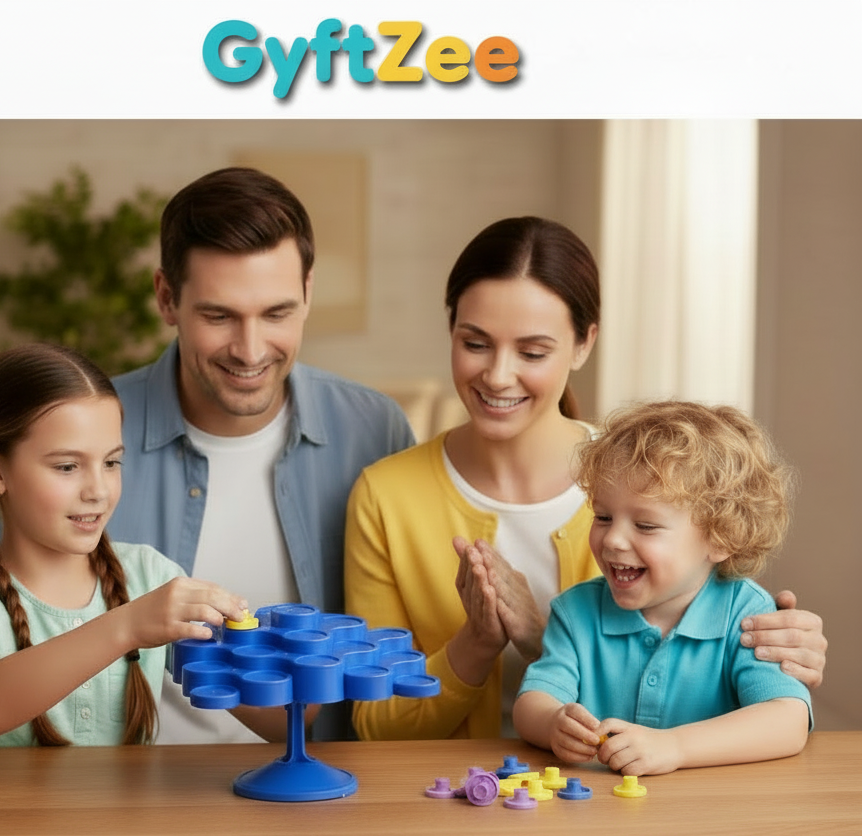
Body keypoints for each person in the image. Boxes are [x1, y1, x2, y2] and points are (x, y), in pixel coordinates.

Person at [0, 167, 415, 743]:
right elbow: (0, 587)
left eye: (277, 312)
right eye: (219, 315)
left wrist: (305, 655)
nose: (250, 349)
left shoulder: (375, 431)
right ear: (167, 297)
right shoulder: (95, 417)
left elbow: (286, 708)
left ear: (309, 294)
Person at [346, 216, 827, 742]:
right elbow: (375, 726)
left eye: (532, 352)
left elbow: (743, 664)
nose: (499, 375)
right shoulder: (385, 496)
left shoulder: (653, 478)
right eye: (476, 343)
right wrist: (478, 642)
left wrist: (784, 643)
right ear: (451, 331)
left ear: (583, 343)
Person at [0, 344, 247, 747]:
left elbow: (275, 711)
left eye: (111, 462)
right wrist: (128, 625)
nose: (98, 491)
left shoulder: (151, 576)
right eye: (67, 466)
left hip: (126, 814)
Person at [513, 400, 811, 774]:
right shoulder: (576, 613)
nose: (613, 540)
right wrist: (552, 723)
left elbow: (788, 721)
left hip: (713, 817)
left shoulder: (748, 615)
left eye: (646, 525)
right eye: (603, 517)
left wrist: (676, 747)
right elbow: (532, 702)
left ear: (720, 538)